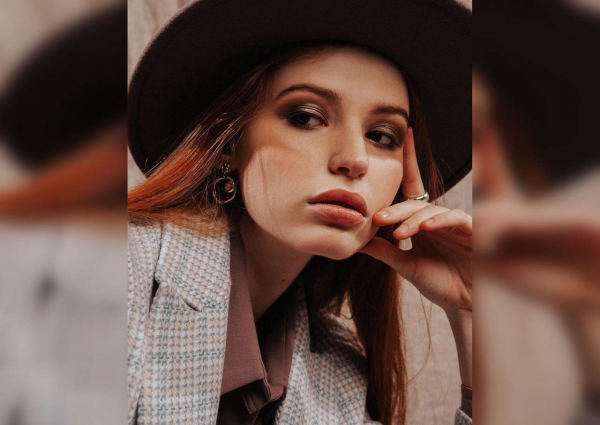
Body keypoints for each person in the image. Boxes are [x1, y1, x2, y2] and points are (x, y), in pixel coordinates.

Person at [127, 0, 472, 424]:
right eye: (306, 117)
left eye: (382, 136)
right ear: (229, 142)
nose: (354, 159)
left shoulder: (337, 372)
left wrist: (470, 314)